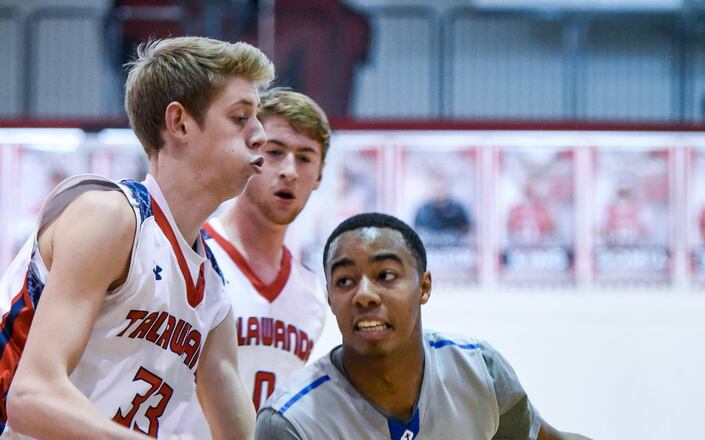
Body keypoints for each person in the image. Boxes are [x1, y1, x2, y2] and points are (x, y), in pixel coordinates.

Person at [0, 36, 273, 439]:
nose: (260, 135)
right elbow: (31, 397)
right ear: (179, 123)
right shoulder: (112, 217)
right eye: (240, 118)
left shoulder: (212, 292)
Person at [257, 213, 592, 440]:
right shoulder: (291, 422)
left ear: (424, 286)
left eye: (385, 275)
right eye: (345, 280)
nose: (365, 295)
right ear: (330, 299)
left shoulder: (479, 370)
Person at [184, 88, 331, 439]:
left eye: (306, 157)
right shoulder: (191, 252)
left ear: (320, 175)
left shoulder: (312, 294)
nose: (290, 171)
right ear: (249, 153)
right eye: (275, 152)